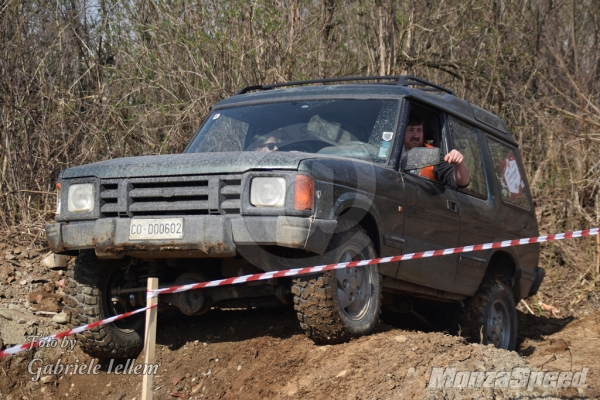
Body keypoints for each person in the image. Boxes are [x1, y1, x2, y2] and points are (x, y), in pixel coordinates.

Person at [402, 114, 470, 189]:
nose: (416, 135)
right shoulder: (390, 150)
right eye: (411, 130)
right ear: (402, 131)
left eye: (419, 130)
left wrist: (459, 164)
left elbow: (461, 182)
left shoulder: (432, 155)